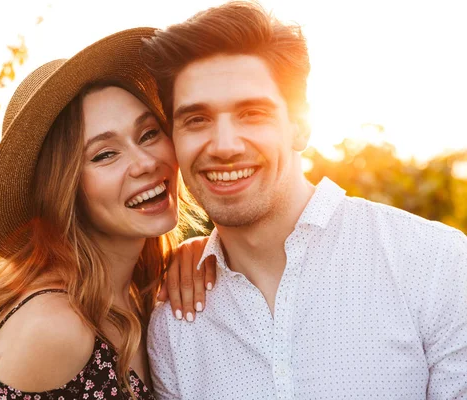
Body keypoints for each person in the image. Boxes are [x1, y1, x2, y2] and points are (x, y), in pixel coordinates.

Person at [141, 2, 467, 399]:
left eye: (252, 113)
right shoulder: (173, 327)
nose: (224, 146)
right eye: (197, 119)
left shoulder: (435, 265)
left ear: (302, 126)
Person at [0, 27, 210, 400]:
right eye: (104, 154)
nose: (146, 162)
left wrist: (199, 251)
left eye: (148, 133)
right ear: (62, 191)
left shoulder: (131, 297)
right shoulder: (58, 326)